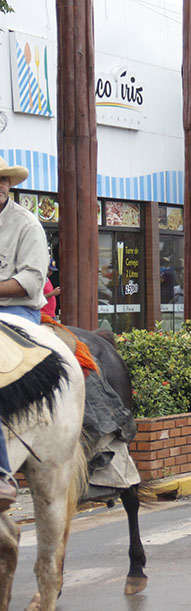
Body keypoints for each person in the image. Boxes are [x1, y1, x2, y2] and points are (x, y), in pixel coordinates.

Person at [0, 157, 48, 510]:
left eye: (4, 179)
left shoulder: (26, 224)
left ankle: (1, 472)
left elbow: (31, 280)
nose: (1, 185)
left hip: (17, 311)